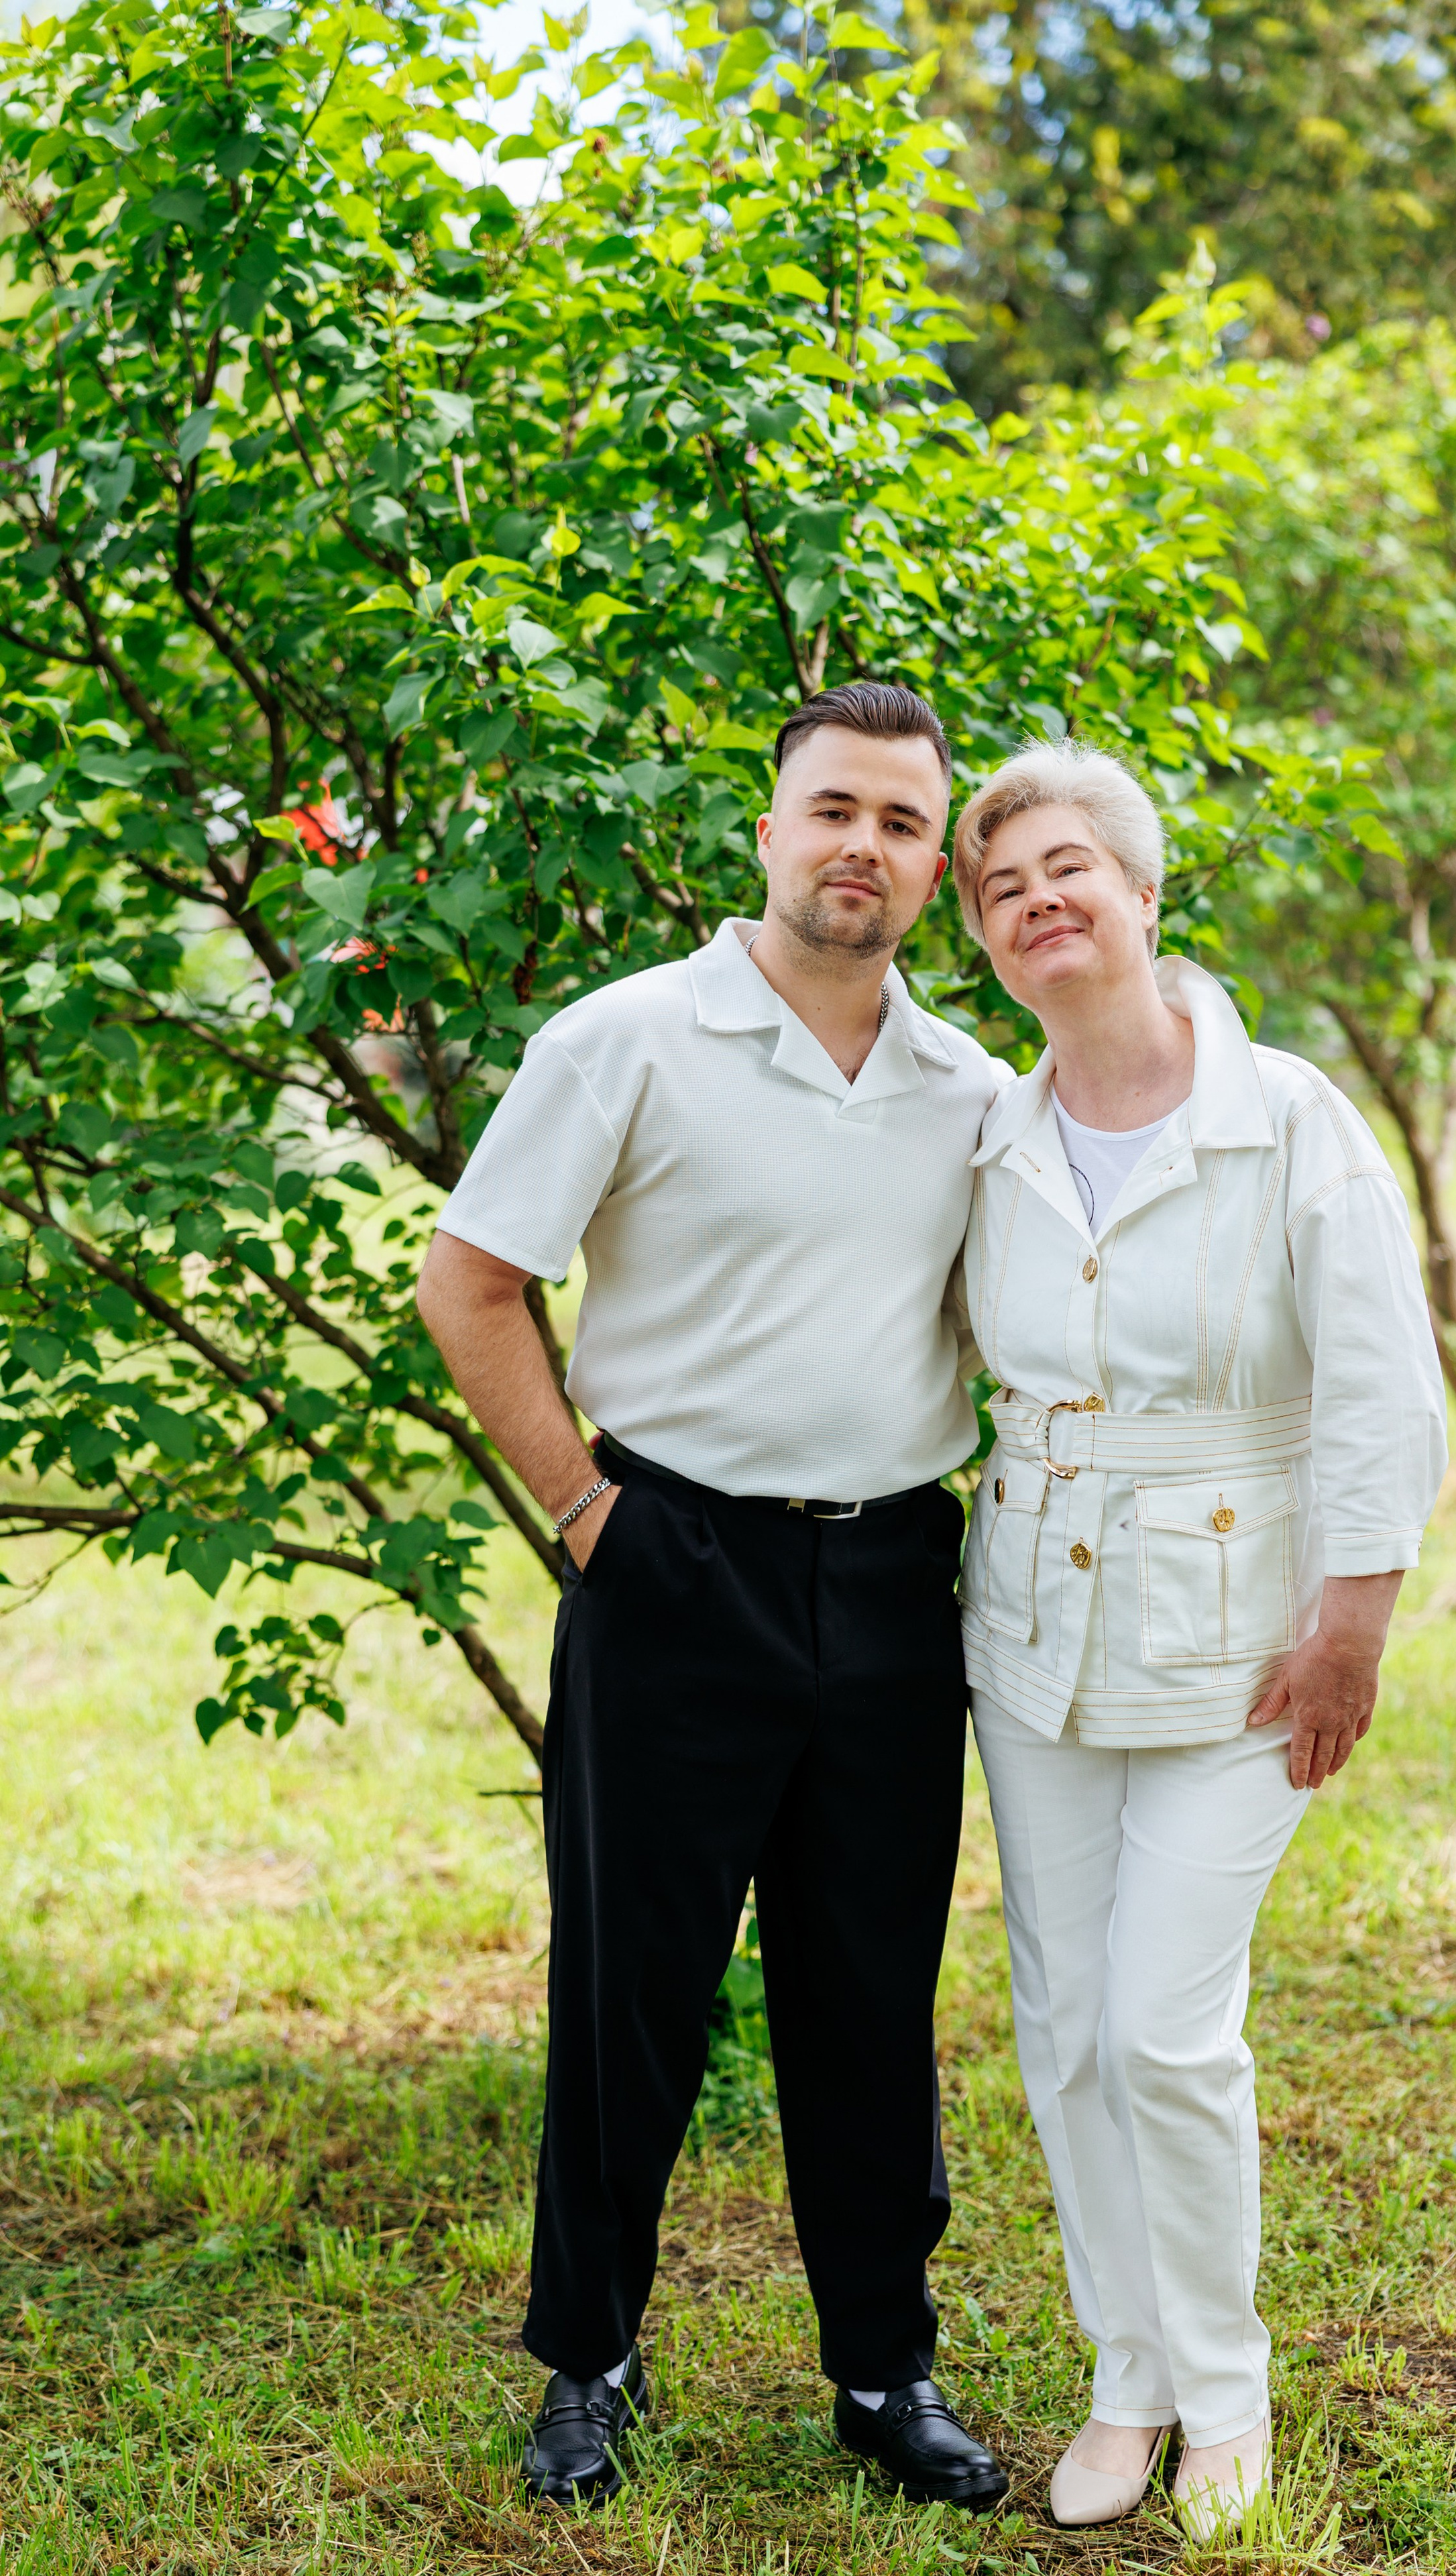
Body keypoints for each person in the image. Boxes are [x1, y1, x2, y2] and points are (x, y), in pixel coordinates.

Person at [416, 681, 1011, 2515]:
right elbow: (469, 1282)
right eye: (835, 809)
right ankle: (589, 2362)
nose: (866, 848)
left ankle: (880, 2373)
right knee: (634, 1992)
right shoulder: (630, 1037)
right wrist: (590, 1509)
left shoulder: (974, 1094)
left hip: (899, 1580)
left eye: (904, 826)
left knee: (867, 1994)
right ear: (767, 828)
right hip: (672, 1562)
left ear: (935, 868)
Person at [948, 741, 1447, 2542]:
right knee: (1066, 2030)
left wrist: (1355, 1635)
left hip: (1245, 1645)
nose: (1038, 903)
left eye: (1069, 868)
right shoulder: (989, 1134)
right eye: (1001, 889)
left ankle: (1225, 2393)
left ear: (1146, 893)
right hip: (1033, 1636)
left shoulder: (1292, 1119)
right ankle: (1124, 2380)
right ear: (985, 940)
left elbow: (1384, 1392)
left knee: (1166, 2028)